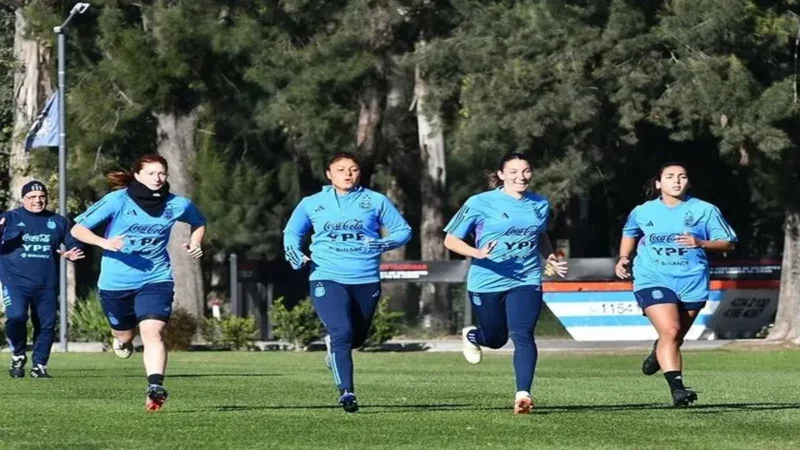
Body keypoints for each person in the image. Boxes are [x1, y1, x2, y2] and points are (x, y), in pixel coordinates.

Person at [71, 154, 206, 411]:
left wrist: (195, 242)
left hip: (156, 277)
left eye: (162, 173)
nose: (158, 178)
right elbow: (77, 229)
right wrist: (104, 243)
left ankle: (155, 386)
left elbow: (199, 222)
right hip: (116, 281)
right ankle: (121, 340)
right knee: (124, 334)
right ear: (137, 175)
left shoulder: (177, 204)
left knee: (152, 332)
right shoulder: (118, 200)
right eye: (151, 173)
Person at [283, 152, 412, 413]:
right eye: (341, 169)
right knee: (341, 332)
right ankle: (347, 392)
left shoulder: (375, 201)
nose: (348, 174)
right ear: (329, 174)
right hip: (326, 275)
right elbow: (292, 232)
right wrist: (295, 253)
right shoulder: (312, 203)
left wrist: (382, 243)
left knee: (356, 337)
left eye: (353, 169)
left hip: (365, 278)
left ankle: (335, 349)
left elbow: (404, 231)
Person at [443, 153, 568, 415]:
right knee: (496, 339)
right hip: (487, 279)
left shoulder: (540, 204)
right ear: (500, 175)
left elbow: (541, 234)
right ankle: (472, 335)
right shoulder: (479, 202)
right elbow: (451, 240)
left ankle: (523, 395)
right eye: (513, 172)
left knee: (523, 334)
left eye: (525, 171)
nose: (520, 177)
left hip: (526, 278)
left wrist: (551, 257)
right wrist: (477, 253)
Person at [615, 162, 736, 407]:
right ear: (659, 183)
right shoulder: (643, 211)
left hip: (692, 280)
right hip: (652, 276)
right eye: (670, 177)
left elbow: (728, 243)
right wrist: (624, 258)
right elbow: (630, 232)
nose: (677, 181)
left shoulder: (705, 210)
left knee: (674, 337)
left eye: (682, 176)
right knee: (670, 330)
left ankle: (657, 352)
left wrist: (701, 243)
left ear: (688, 182)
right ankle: (678, 390)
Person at [1, 181, 84, 379]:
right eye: (32, 197)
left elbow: (74, 242)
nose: (38, 201)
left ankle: (39, 365)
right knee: (16, 317)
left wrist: (72, 252)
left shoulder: (58, 221)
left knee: (46, 325)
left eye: (41, 197)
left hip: (46, 283)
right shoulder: (9, 219)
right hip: (15, 282)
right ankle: (18, 354)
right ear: (23, 200)